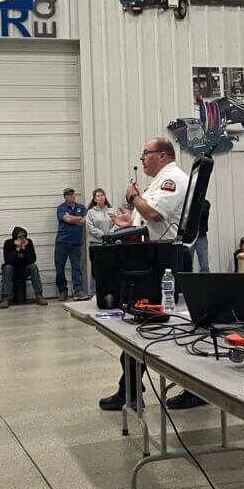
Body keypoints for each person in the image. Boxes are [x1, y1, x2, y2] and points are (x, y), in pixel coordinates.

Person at [100, 137, 189, 412]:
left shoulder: (172, 179)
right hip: (153, 258)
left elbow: (155, 214)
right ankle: (129, 388)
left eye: (145, 154)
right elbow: (147, 220)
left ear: (162, 155)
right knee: (141, 327)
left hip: (163, 261)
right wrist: (129, 222)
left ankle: (192, 387)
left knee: (153, 326)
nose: (142, 158)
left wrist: (133, 197)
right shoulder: (160, 180)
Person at [0, 226, 47, 308]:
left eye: (24, 237)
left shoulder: (29, 243)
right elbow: (8, 260)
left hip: (24, 270)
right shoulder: (8, 243)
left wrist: (24, 248)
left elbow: (32, 259)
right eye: (19, 237)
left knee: (33, 267)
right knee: (7, 267)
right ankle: (5, 297)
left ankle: (39, 295)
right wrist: (17, 249)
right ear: (15, 237)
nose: (22, 239)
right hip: (12, 271)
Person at [55, 188, 88, 301]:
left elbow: (84, 221)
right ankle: (63, 291)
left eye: (72, 194)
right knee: (60, 267)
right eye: (68, 195)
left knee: (76, 267)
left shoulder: (81, 207)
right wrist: (78, 218)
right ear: (65, 197)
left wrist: (73, 218)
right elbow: (66, 219)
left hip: (76, 243)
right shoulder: (61, 208)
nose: (71, 196)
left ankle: (78, 290)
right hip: (62, 242)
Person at [86, 188, 114, 291]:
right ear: (94, 199)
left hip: (109, 243)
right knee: (96, 268)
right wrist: (102, 235)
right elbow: (90, 227)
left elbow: (116, 224)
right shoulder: (90, 212)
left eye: (102, 195)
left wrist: (110, 234)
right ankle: (94, 291)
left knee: (109, 267)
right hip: (96, 244)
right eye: (98, 196)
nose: (101, 197)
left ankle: (109, 289)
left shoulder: (111, 210)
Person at [192, 199, 210, 273]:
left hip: (201, 236)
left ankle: (205, 283)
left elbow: (203, 212)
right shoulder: (187, 202)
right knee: (187, 264)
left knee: (204, 265)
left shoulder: (205, 203)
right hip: (189, 237)